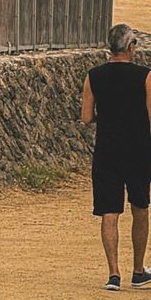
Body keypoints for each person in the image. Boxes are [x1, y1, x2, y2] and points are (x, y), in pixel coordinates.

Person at [82, 23, 151, 290]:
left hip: (106, 150)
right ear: (131, 47)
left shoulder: (94, 76)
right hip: (137, 150)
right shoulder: (145, 76)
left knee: (109, 212)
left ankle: (113, 274)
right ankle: (137, 270)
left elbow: (86, 118)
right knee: (140, 208)